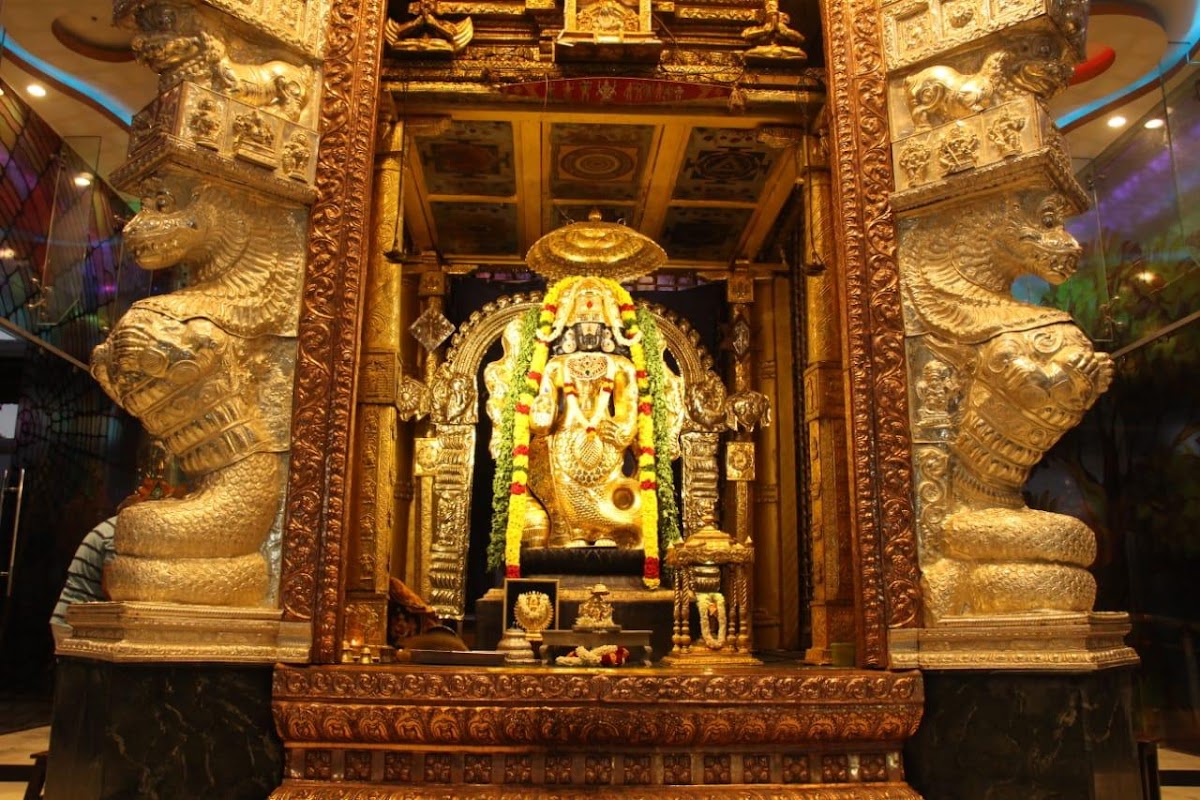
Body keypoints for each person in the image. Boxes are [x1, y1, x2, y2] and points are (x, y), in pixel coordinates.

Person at [49, 516, 116, 645]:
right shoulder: (119, 533)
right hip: (76, 623)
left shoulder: (115, 528)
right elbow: (112, 588)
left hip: (80, 620)